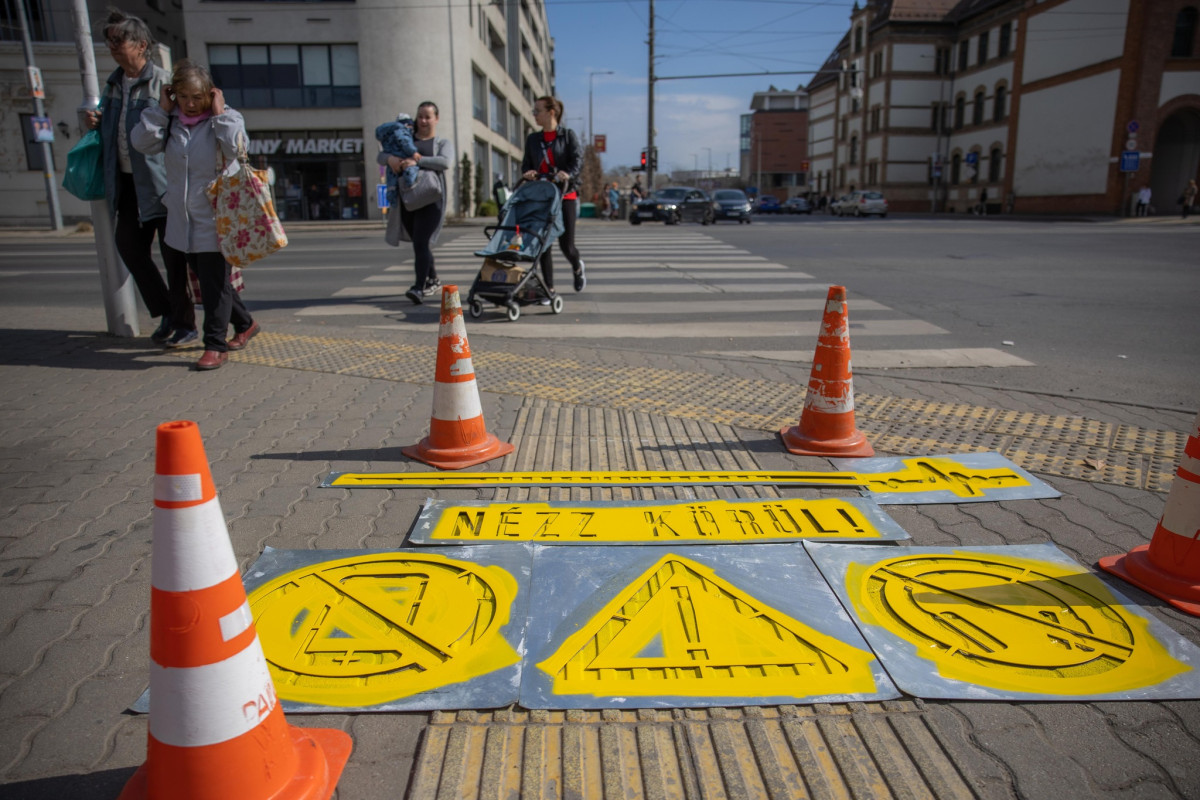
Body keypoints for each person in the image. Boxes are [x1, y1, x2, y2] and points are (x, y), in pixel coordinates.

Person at [131, 59, 259, 371]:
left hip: (217, 216)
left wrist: (219, 114)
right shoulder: (170, 121)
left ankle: (215, 345)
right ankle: (246, 324)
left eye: (197, 97)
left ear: (211, 94)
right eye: (184, 97)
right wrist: (160, 111)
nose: (190, 104)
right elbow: (141, 143)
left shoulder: (226, 117)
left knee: (214, 285)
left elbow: (238, 149)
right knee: (209, 280)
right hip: (181, 218)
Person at [84, 9, 195, 347]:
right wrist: (96, 122)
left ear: (142, 44)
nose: (113, 47)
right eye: (109, 41)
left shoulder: (164, 82)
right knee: (129, 248)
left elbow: (184, 126)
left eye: (119, 40)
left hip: (162, 185)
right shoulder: (113, 85)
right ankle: (166, 312)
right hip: (127, 185)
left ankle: (185, 324)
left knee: (174, 257)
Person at [377, 101, 453, 305]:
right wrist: (391, 159)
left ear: (436, 118)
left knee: (420, 241)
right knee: (420, 244)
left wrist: (417, 161)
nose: (423, 121)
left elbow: (445, 162)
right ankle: (433, 279)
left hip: (432, 200)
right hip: (408, 200)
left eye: (428, 117)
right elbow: (381, 155)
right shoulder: (405, 138)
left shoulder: (441, 143)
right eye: (420, 116)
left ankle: (419, 287)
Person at [523, 96, 586, 294]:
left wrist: (568, 174)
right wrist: (528, 173)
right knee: (544, 245)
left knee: (567, 246)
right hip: (543, 197)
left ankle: (577, 267)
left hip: (565, 195)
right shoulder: (533, 140)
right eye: (534, 111)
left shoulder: (567, 136)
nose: (534, 115)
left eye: (537, 111)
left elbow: (578, 161)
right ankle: (549, 289)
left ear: (551, 113)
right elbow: (526, 165)